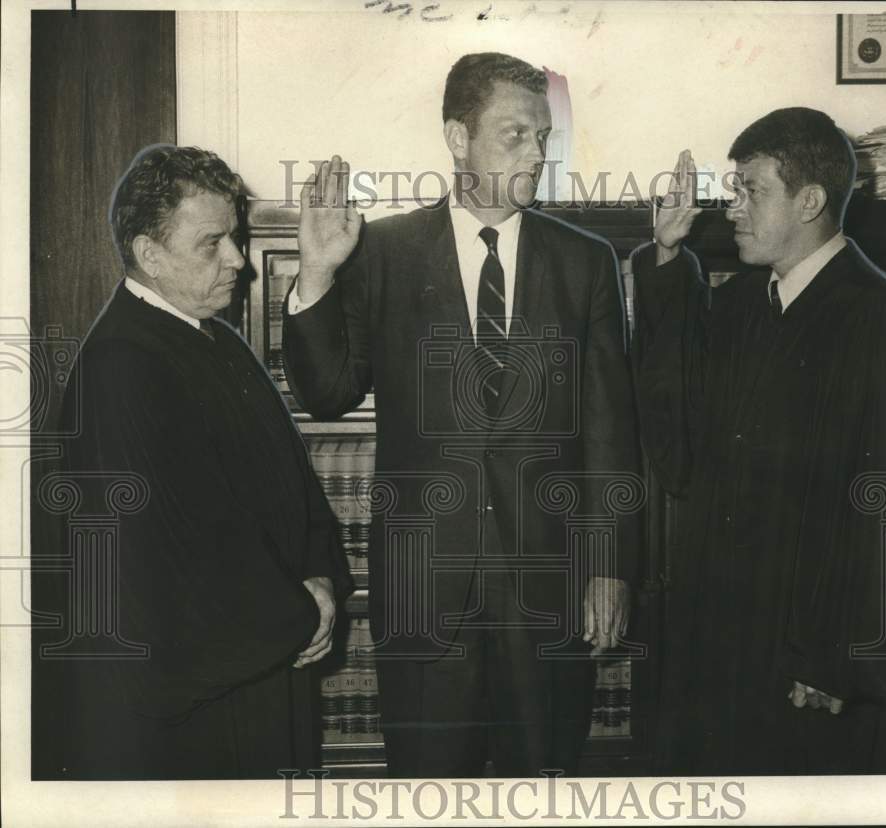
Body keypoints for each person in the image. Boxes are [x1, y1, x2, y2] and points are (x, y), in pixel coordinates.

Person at [282, 52, 641, 777]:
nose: (536, 154)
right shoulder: (380, 252)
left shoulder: (586, 262)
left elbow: (609, 429)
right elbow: (327, 394)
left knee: (541, 778)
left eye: (543, 137)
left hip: (548, 586)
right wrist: (317, 272)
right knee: (429, 782)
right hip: (423, 589)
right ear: (457, 137)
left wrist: (609, 568)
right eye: (515, 134)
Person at [632, 108, 886, 774]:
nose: (734, 207)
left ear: (809, 201)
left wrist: (838, 658)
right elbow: (677, 436)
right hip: (724, 635)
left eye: (752, 189)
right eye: (733, 188)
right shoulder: (746, 303)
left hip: (814, 655)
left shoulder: (882, 317)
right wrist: (665, 259)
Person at [35, 145, 354, 779]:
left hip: (265, 655)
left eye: (234, 236)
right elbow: (181, 551)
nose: (238, 259)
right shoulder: (124, 364)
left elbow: (291, 485)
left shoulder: (208, 335)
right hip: (200, 710)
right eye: (213, 243)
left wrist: (320, 575)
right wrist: (301, 610)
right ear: (149, 254)